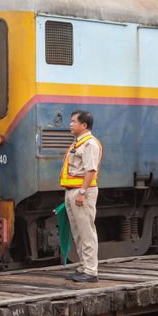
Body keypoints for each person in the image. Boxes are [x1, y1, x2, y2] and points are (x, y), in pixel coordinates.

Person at [59, 110, 103, 282]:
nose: (70, 124)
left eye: (73, 122)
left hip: (82, 192)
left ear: (84, 125)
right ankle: (84, 267)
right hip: (72, 191)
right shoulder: (78, 143)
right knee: (78, 232)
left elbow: (91, 170)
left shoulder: (90, 144)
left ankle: (91, 271)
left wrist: (83, 192)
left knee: (86, 231)